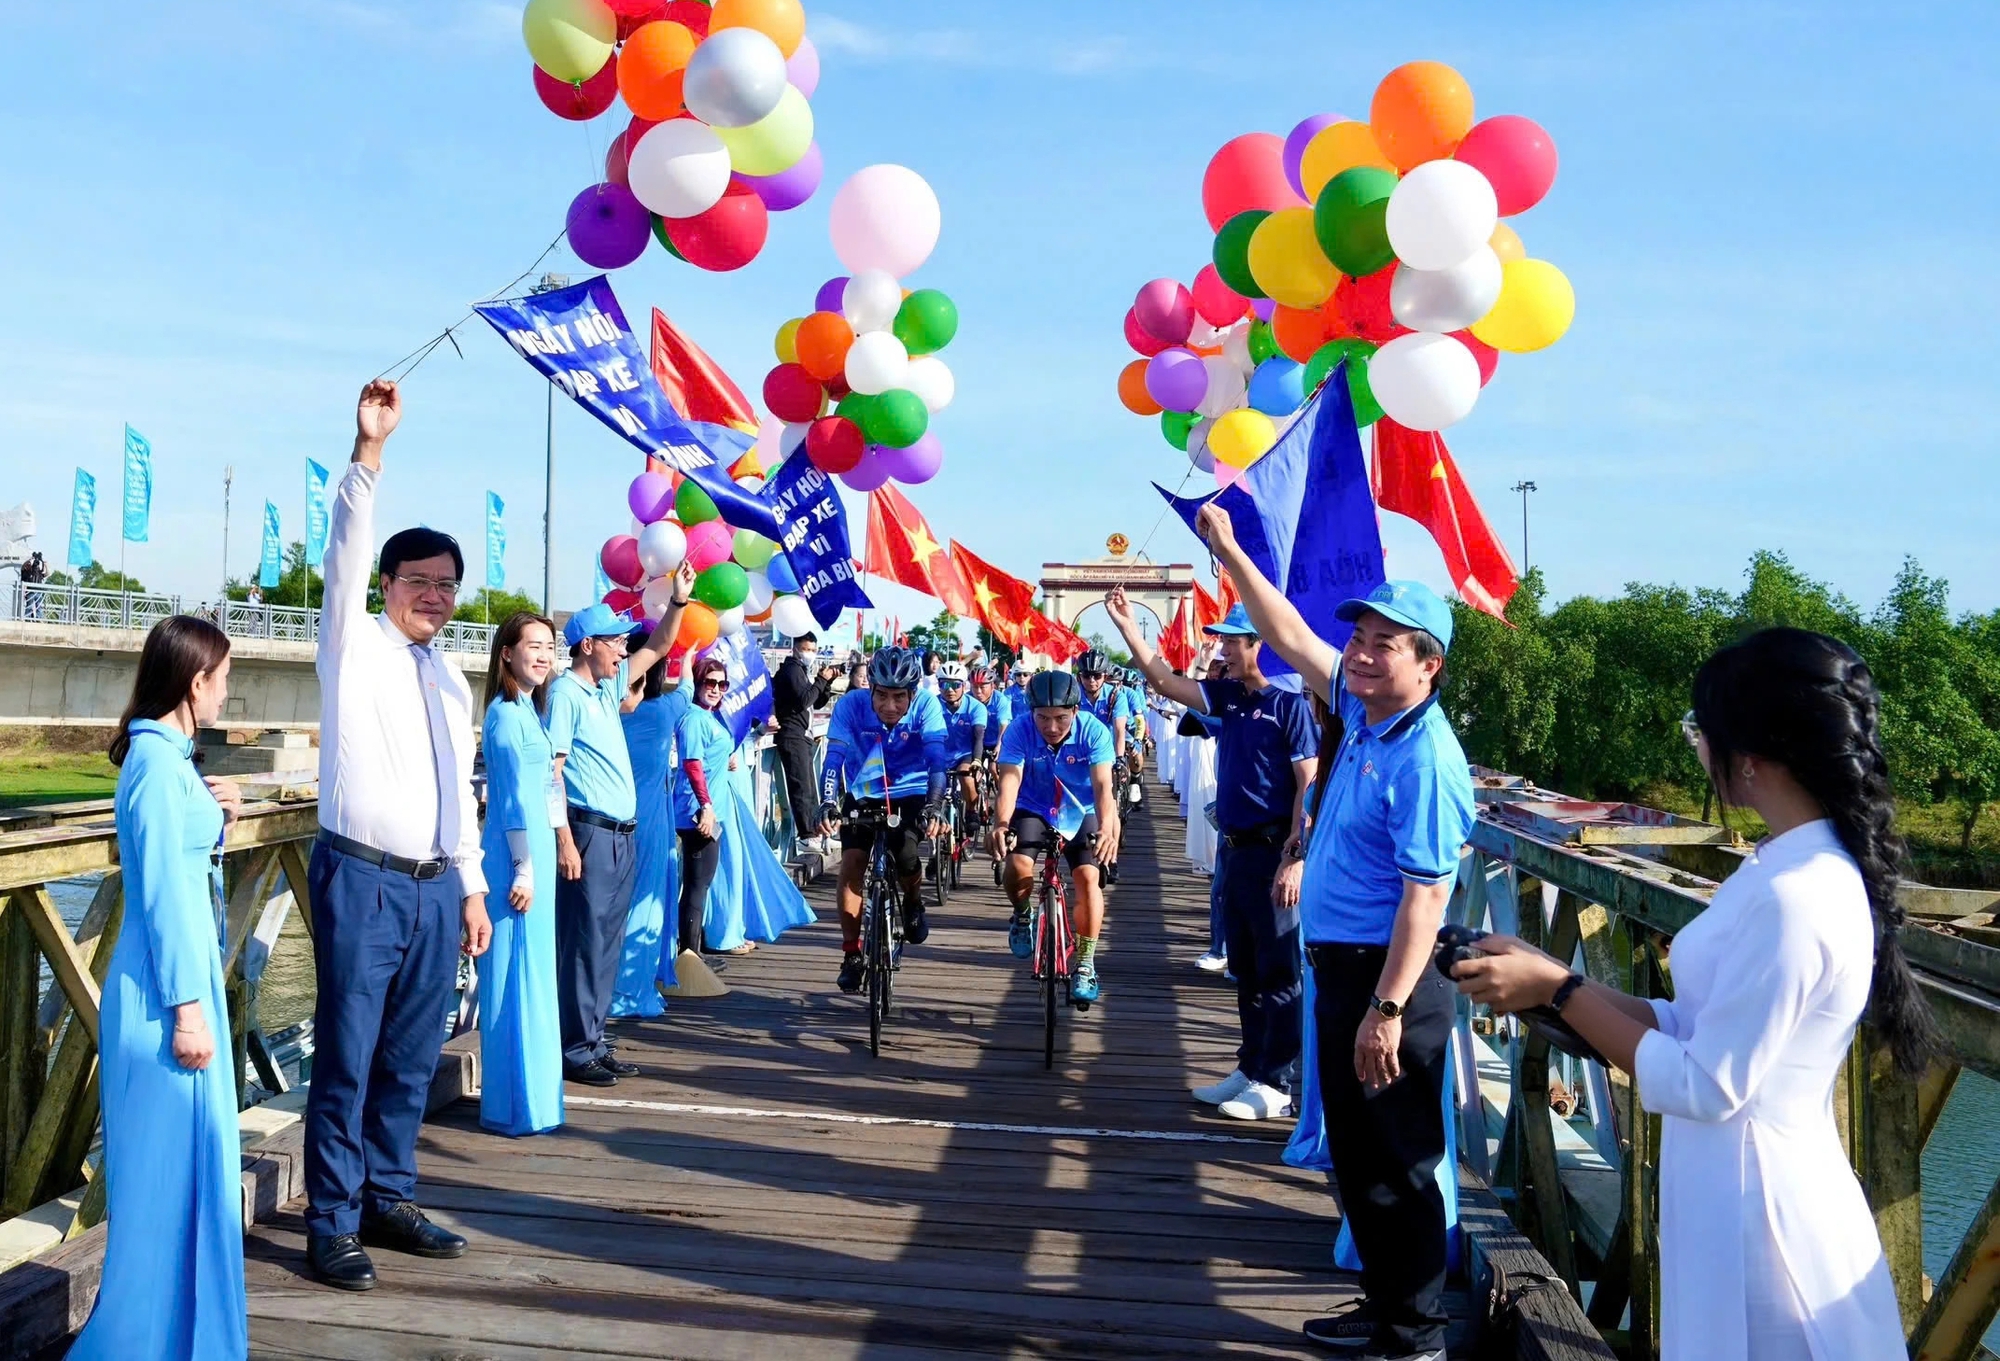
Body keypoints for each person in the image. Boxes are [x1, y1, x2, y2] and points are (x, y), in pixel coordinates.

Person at [1453, 628, 1929, 1361]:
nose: (1697, 749)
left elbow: (1708, 1083)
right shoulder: (1781, 868)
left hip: (1765, 1222)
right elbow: (1691, 1023)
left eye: (1698, 731)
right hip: (1731, 1186)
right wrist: (1549, 976)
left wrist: (1562, 988)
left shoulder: (1799, 896)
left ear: (1751, 753)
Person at [1192, 503, 1465, 1360]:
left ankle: (1415, 1334)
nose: (1361, 651)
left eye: (1387, 643)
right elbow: (1288, 632)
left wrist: (1386, 1010)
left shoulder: (1425, 756)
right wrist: (1229, 552)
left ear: (1429, 664)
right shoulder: (1366, 712)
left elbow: (1427, 896)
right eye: (1361, 637)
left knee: (1398, 1161)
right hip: (1343, 972)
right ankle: (1384, 1304)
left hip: (1390, 982)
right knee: (1358, 1155)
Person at [306, 379, 492, 1292]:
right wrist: (369, 451)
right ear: (387, 585)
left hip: (432, 886)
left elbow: (458, 793)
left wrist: (472, 886)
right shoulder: (352, 643)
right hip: (362, 878)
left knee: (412, 1055)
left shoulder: (450, 677)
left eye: (447, 585)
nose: (435, 597)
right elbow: (344, 543)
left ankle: (389, 1194)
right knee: (346, 1055)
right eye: (419, 581)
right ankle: (332, 1221)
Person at [72, 616, 246, 1360]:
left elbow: (182, 856)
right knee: (160, 1182)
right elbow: (165, 893)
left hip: (179, 982)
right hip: (164, 993)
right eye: (224, 679)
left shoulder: (171, 761)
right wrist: (188, 1012)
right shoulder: (152, 763)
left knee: (189, 1170)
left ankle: (182, 1338)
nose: (228, 692)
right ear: (194, 682)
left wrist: (221, 816)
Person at [1109, 585, 1318, 1124]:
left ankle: (1277, 1082)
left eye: (1233, 641)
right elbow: (1164, 681)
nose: (1223, 649)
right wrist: (1127, 626)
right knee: (1246, 968)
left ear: (1260, 644)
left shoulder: (1289, 707)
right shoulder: (1230, 699)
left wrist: (1295, 855)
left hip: (1274, 852)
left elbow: (1308, 784)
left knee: (1278, 970)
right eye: (1222, 641)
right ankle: (1251, 1067)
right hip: (1237, 850)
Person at [546, 573, 695, 1088]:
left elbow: (658, 646)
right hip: (589, 833)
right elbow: (552, 772)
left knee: (607, 942)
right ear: (588, 645)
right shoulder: (566, 694)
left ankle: (593, 1040)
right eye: (614, 641)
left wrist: (679, 601)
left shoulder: (604, 690)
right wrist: (564, 840)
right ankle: (575, 1048)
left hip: (620, 834)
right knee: (584, 944)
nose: (623, 648)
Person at [475, 612, 565, 1137]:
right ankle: (513, 1103)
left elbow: (546, 788)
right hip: (515, 859)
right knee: (513, 977)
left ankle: (537, 1099)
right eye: (533, 645)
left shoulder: (532, 711)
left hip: (537, 854)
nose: (544, 655)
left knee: (535, 974)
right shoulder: (506, 717)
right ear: (507, 653)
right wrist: (524, 870)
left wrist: (560, 841)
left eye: (549, 646)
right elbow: (509, 802)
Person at [816, 647, 949, 993]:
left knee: (906, 855)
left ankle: (913, 900)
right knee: (851, 863)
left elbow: (937, 761)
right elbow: (834, 757)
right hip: (864, 788)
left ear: (912, 694)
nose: (890, 706)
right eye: (882, 696)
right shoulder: (851, 705)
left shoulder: (927, 706)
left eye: (899, 697)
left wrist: (934, 805)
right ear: (870, 689)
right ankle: (851, 953)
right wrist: (827, 801)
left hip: (911, 790)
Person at [989, 669, 1122, 1005]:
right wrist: (1001, 824)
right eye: (1043, 718)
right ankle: (1022, 914)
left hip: (1080, 809)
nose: (1051, 727)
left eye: (1061, 718)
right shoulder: (1019, 729)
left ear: (1075, 710)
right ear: (1031, 712)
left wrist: (1107, 830)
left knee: (1088, 877)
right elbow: (1009, 781)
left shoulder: (1094, 730)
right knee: (1017, 864)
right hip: (1034, 806)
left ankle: (1086, 962)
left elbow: (1103, 786)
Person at [613, 651, 692, 1016]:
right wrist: (687, 657)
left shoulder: (609, 708)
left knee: (611, 903)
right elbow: (687, 690)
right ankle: (633, 989)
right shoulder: (664, 710)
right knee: (646, 902)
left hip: (611, 812)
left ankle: (605, 988)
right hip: (651, 817)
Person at [672, 654, 738, 961]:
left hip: (708, 810)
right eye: (710, 682)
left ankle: (691, 956)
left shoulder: (709, 717)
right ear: (697, 682)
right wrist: (706, 806)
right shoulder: (695, 718)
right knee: (696, 887)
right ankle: (689, 960)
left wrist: (726, 757)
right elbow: (691, 763)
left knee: (701, 885)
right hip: (697, 813)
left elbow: (708, 755)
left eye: (722, 684)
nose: (716, 689)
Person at [772, 631, 840, 845]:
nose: (810, 654)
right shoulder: (792, 670)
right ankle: (806, 835)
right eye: (806, 649)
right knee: (801, 787)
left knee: (810, 788)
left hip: (803, 735)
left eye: (813, 650)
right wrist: (821, 680)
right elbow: (804, 700)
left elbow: (816, 702)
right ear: (795, 649)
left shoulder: (802, 671)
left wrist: (826, 683)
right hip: (792, 734)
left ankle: (817, 831)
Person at [1074, 651, 1131, 885]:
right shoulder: (1073, 694)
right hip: (1077, 753)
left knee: (1110, 807)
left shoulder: (1116, 696)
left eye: (1097, 676)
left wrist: (1119, 759)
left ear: (1105, 676)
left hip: (1106, 755)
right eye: (1086, 675)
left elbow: (1119, 730)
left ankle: (1112, 858)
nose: (1091, 681)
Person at [937, 660, 989, 823]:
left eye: (956, 685)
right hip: (940, 754)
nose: (950, 690)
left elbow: (979, 736)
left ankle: (971, 810)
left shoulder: (976, 707)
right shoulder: (932, 705)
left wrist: (977, 760)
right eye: (945, 684)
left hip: (964, 755)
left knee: (966, 777)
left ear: (964, 686)